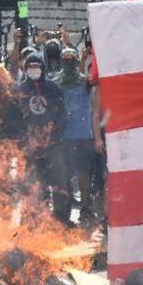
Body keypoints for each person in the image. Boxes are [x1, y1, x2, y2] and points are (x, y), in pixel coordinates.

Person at [16, 52, 69, 223]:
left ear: (43, 67)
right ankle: (34, 217)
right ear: (25, 69)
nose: (34, 70)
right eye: (30, 67)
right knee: (32, 181)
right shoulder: (20, 90)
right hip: (29, 144)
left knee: (59, 180)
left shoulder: (53, 88)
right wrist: (26, 138)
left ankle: (61, 218)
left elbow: (62, 115)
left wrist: (52, 134)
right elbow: (13, 118)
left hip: (53, 143)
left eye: (37, 66)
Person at [54, 47, 98, 223]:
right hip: (64, 135)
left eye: (72, 58)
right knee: (64, 174)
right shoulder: (56, 82)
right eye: (66, 58)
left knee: (83, 173)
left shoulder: (84, 82)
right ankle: (64, 211)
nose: (69, 61)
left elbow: (92, 78)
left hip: (82, 134)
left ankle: (86, 209)